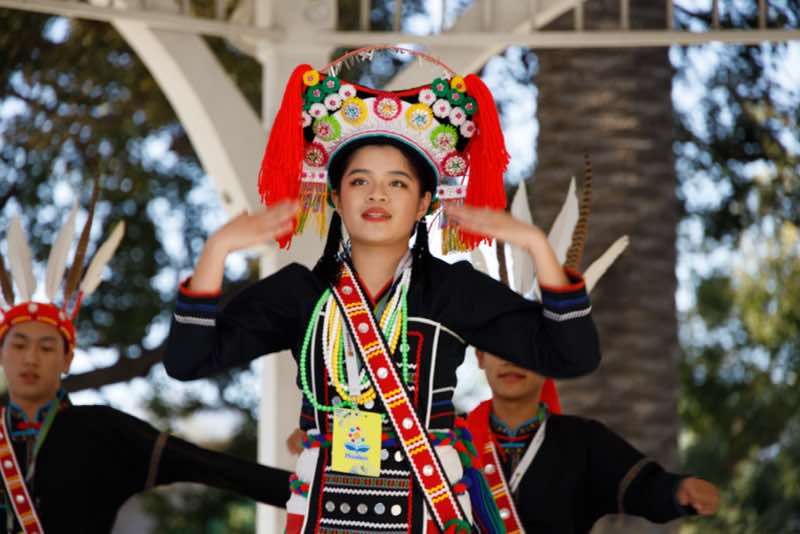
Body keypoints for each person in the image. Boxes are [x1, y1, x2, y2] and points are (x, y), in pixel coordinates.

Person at [163, 46, 601, 534]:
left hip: (428, 512)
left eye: (397, 183)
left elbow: (573, 356)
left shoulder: (450, 292)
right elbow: (186, 361)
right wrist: (217, 249)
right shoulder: (301, 294)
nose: (377, 195)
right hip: (322, 514)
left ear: (424, 203)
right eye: (360, 181)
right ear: (335, 197)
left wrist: (535, 245)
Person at [0, 200, 290, 534]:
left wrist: (320, 493)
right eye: (19, 345)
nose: (31, 358)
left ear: (67, 359)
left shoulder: (103, 431)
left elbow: (209, 466)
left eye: (47, 347)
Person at [468, 351, 720, 534]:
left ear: (548, 358)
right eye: (499, 345)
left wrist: (677, 490)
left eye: (524, 345)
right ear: (480, 356)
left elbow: (642, 487)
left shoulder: (583, 440)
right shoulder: (454, 440)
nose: (511, 358)